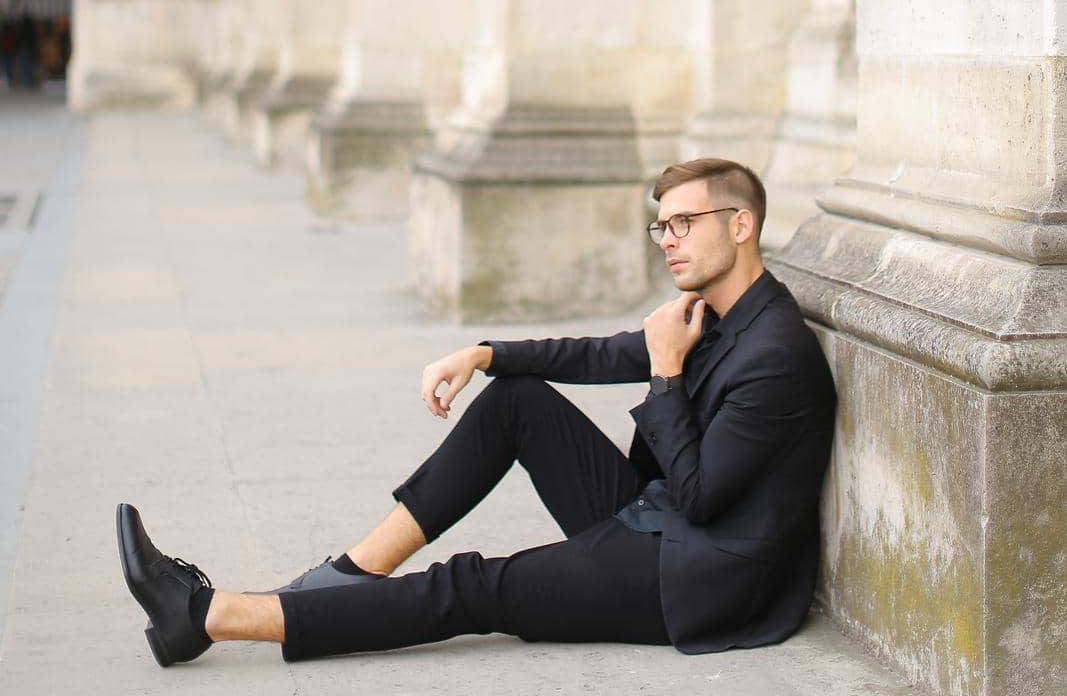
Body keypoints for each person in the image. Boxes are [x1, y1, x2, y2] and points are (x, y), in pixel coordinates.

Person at [116, 157, 837, 669]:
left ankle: (210, 616)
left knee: (473, 587)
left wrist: (666, 374)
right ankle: (351, 572)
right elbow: (596, 353)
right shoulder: (713, 313)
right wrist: (484, 353)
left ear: (740, 225)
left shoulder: (773, 353)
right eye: (661, 227)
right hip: (658, 523)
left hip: (696, 580)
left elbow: (704, 499)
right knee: (516, 400)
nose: (668, 239)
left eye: (684, 222)